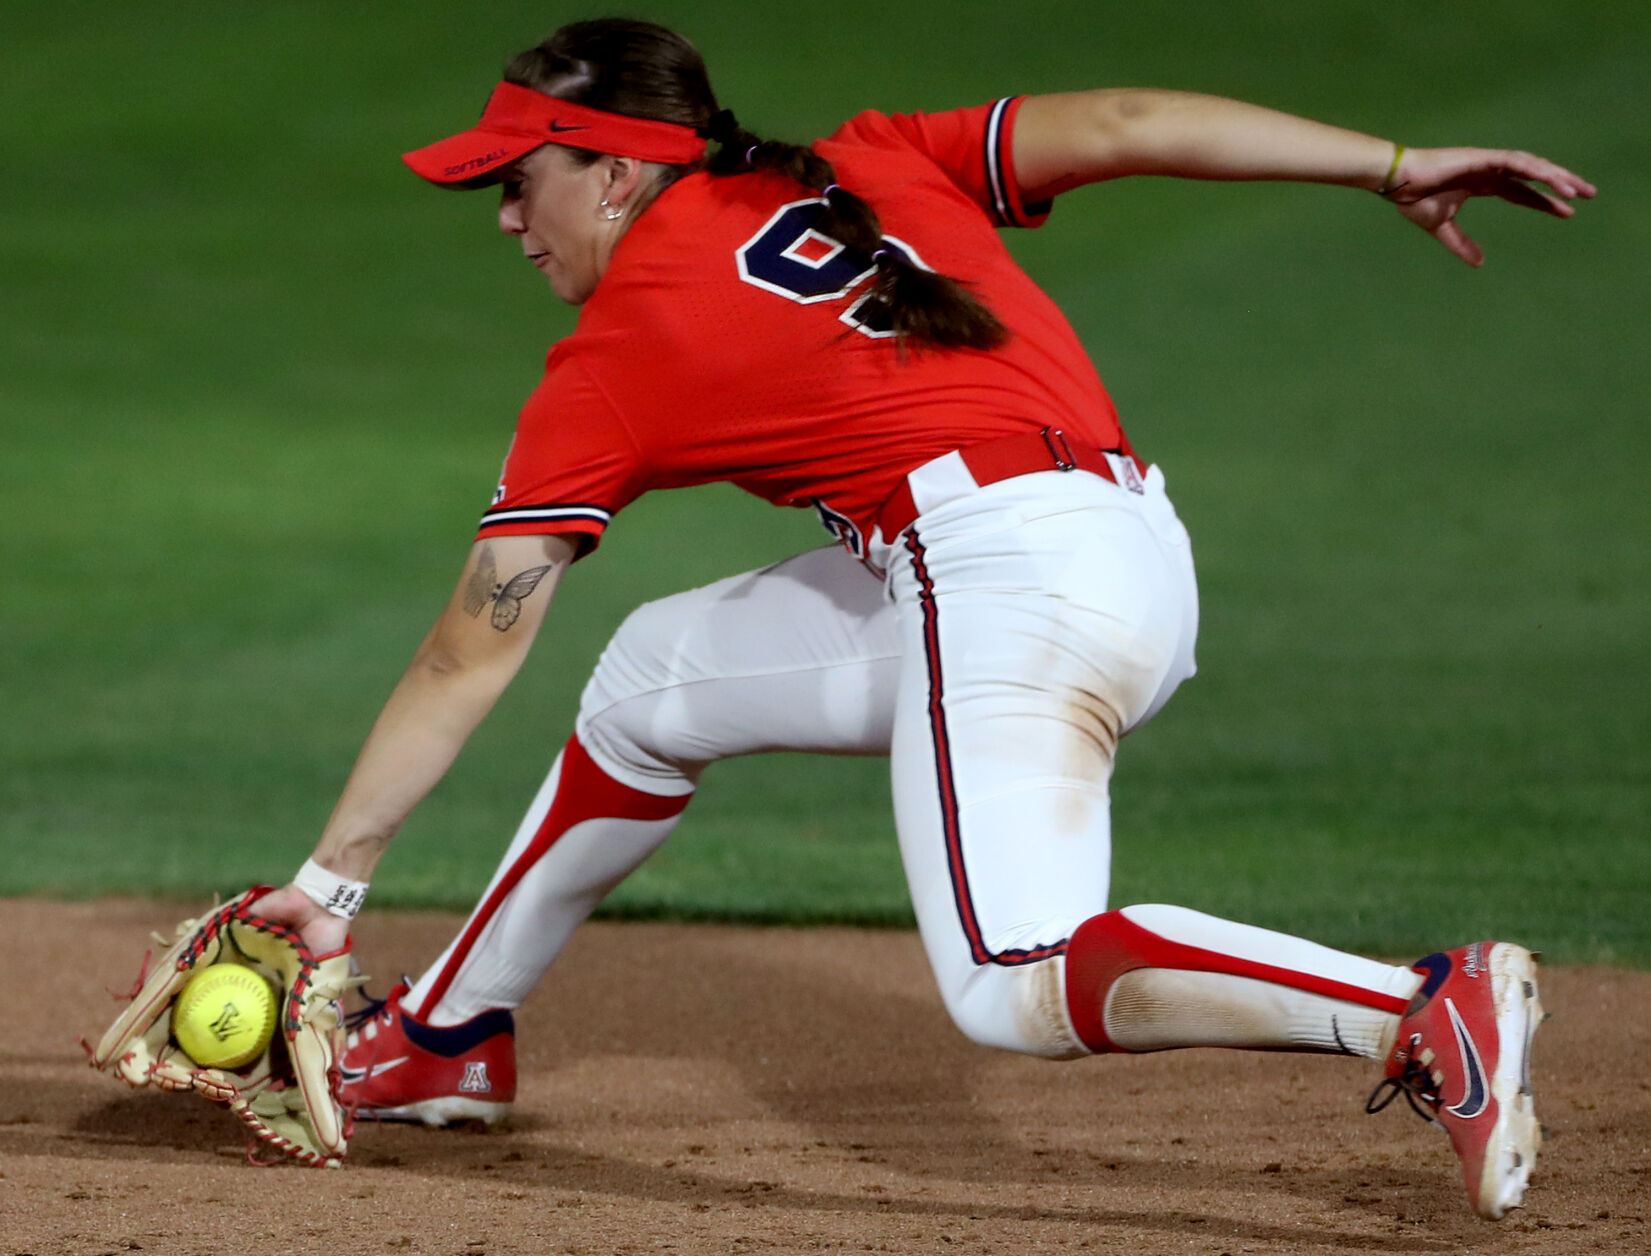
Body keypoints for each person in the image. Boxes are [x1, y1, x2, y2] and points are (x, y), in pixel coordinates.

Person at [248, 18, 1592, 1218]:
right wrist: (1389, 162)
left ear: (613, 171)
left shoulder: (624, 350)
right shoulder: (867, 159)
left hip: (1001, 583)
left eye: (519, 179)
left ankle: (1418, 1009)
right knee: (653, 678)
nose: (504, 216)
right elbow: (1125, 123)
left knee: (1014, 981)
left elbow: (467, 651)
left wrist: (329, 882)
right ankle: (446, 1034)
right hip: (1123, 550)